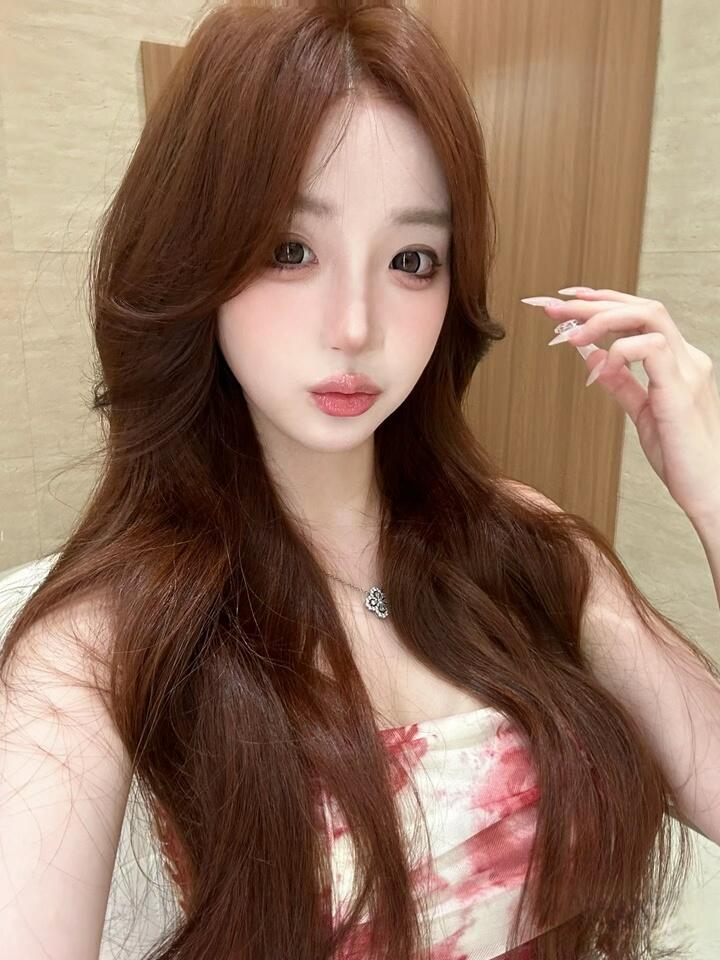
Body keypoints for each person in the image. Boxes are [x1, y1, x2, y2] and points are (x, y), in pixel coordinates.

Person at [1, 2, 719, 959]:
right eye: (289, 250)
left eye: (412, 260)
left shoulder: (523, 547)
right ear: (194, 258)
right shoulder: (102, 637)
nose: (355, 326)